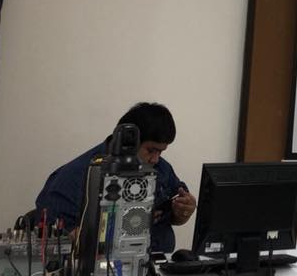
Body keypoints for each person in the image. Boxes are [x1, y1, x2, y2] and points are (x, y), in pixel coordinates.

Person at [34, 102, 196, 252]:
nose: (155, 159)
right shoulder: (74, 178)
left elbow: (175, 216)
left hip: (159, 261)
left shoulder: (161, 169)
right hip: (103, 264)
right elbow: (54, 241)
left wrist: (184, 211)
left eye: (160, 152)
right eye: (151, 150)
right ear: (127, 141)